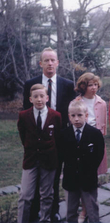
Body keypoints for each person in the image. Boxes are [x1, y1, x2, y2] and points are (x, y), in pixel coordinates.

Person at [23, 47, 76, 222]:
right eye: (46, 60)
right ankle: (34, 211)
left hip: (58, 140)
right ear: (41, 63)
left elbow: (71, 113)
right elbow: (25, 115)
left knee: (52, 178)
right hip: (36, 141)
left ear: (58, 63)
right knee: (35, 178)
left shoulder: (67, 85)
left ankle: (53, 211)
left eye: (53, 60)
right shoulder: (30, 84)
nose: (50, 63)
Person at [17, 84, 62, 223]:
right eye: (35, 97)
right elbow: (23, 136)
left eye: (42, 96)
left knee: (47, 195)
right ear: (30, 99)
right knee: (25, 195)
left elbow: (58, 138)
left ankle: (45, 219)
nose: (39, 99)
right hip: (30, 160)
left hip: (49, 160)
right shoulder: (24, 116)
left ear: (47, 98)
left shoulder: (56, 116)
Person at [60, 99, 104, 223]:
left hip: (88, 177)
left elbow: (99, 154)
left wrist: (90, 168)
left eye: (80, 115)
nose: (77, 119)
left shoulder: (95, 133)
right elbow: (61, 154)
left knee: (92, 208)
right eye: (73, 116)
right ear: (69, 117)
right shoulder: (64, 134)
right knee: (70, 210)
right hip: (70, 178)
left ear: (86, 115)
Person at [75, 72, 107, 223]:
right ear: (83, 86)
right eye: (90, 85)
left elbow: (103, 126)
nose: (94, 88)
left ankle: (90, 208)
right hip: (81, 141)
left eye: (95, 85)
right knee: (82, 176)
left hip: (95, 141)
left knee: (92, 176)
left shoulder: (101, 103)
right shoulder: (77, 102)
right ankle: (84, 209)